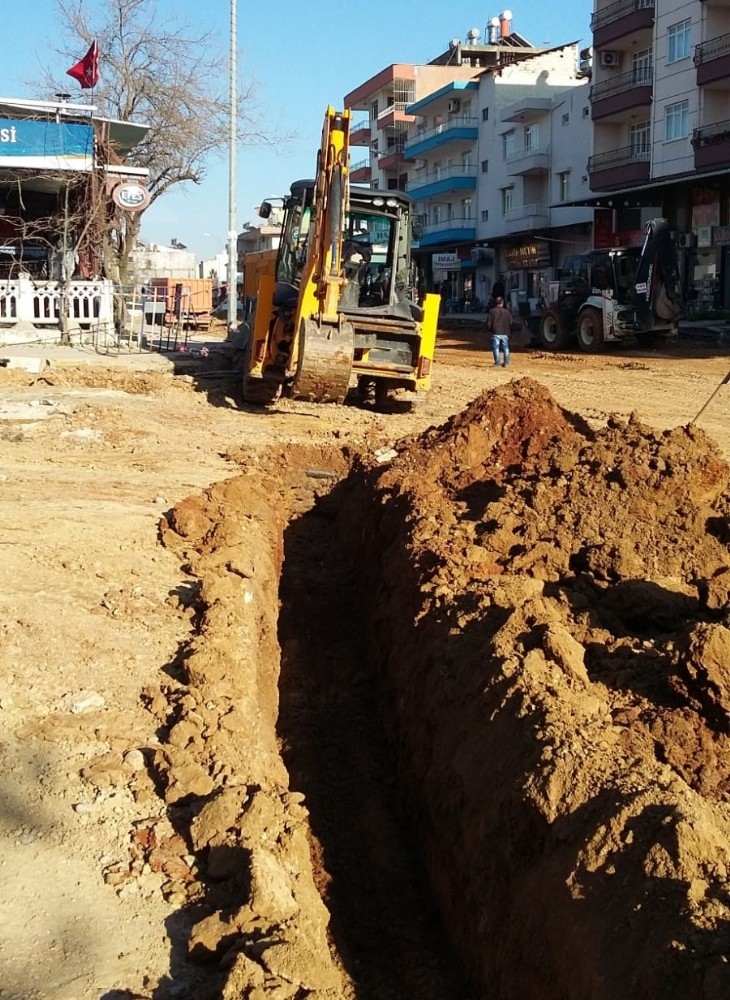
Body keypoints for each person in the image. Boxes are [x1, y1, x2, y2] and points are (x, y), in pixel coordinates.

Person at [486, 295, 513, 367]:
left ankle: (497, 363)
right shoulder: (507, 312)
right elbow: (511, 322)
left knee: (496, 347)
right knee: (506, 347)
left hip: (496, 332)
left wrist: (490, 329)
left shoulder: (492, 311)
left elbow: (489, 322)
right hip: (505, 332)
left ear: (496, 303)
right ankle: (506, 363)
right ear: (502, 303)